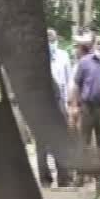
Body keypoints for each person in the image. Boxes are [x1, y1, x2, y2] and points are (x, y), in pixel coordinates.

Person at [70, 35, 100, 189]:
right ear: (94, 45)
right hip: (87, 107)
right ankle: (80, 175)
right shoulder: (85, 62)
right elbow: (76, 85)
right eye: (98, 43)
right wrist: (74, 105)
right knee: (83, 142)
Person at [35, 29, 73, 189]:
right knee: (42, 142)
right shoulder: (35, 57)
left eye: (52, 38)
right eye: (47, 38)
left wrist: (68, 104)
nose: (50, 41)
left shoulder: (63, 56)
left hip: (59, 101)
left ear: (56, 39)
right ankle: (45, 178)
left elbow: (69, 79)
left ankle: (64, 177)